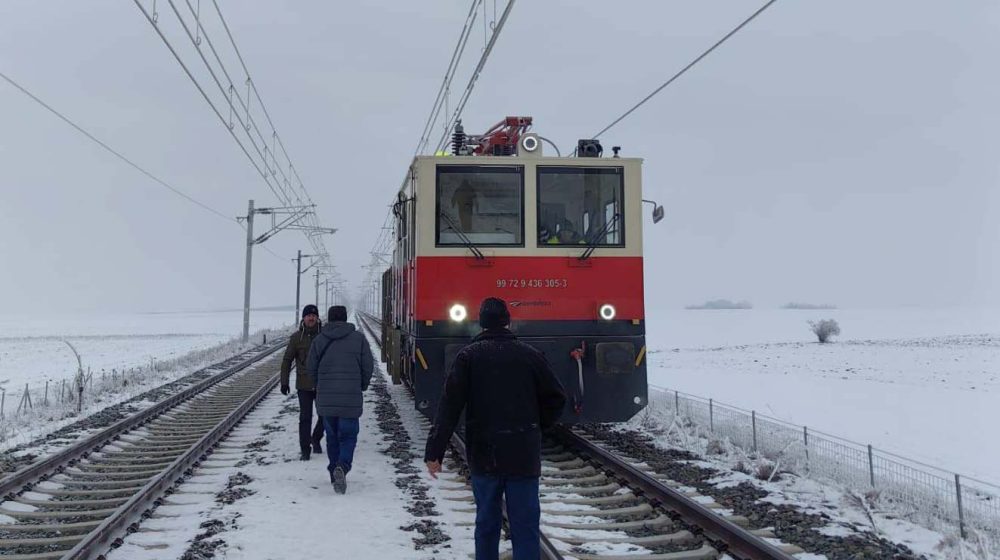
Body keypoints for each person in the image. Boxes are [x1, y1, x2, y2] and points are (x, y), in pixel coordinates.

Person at [424, 297, 567, 560]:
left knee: (487, 524)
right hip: (523, 455)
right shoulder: (531, 356)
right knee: (525, 527)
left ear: (481, 324)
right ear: (508, 322)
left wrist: (435, 452)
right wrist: (537, 426)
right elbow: (557, 398)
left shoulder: (468, 357)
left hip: (484, 454)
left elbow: (449, 407)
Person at [306, 305, 374, 494]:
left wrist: (320, 384)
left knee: (332, 437)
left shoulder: (320, 340)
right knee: (349, 436)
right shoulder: (359, 339)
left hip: (326, 398)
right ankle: (342, 467)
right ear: (345, 319)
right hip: (350, 397)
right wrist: (362, 384)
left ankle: (333, 470)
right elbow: (368, 365)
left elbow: (310, 367)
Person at [280, 304, 325, 461]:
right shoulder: (296, 338)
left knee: (325, 416)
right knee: (305, 418)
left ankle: (316, 437)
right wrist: (284, 382)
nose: (311, 318)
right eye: (308, 316)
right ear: (303, 318)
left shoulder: (325, 335)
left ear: (317, 318)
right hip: (304, 384)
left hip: (322, 384)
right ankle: (305, 450)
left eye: (314, 316)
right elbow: (287, 360)